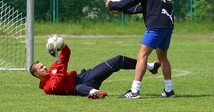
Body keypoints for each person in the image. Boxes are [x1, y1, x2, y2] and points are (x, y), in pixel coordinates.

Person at [105, 0, 175, 99]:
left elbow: (131, 0)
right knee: (163, 57)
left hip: (156, 25)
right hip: (168, 25)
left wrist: (112, 5)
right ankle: (169, 90)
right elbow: (142, 7)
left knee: (142, 55)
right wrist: (123, 10)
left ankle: (134, 91)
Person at [29, 41, 161, 99]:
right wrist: (58, 60)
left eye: (43, 65)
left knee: (118, 60)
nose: (45, 67)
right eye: (41, 68)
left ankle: (150, 67)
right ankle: (96, 93)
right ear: (36, 74)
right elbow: (59, 80)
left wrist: (62, 46)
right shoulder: (47, 88)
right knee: (78, 88)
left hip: (85, 76)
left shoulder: (53, 67)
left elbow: (67, 54)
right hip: (81, 86)